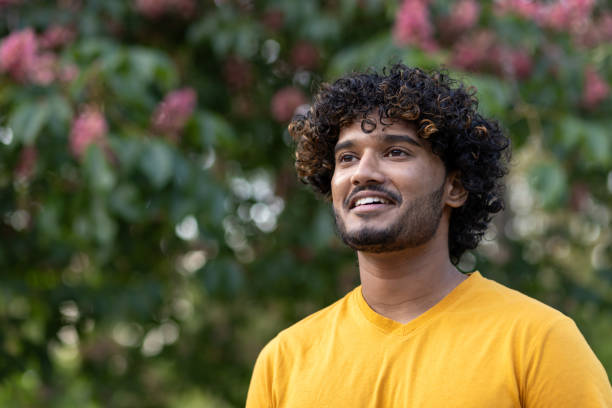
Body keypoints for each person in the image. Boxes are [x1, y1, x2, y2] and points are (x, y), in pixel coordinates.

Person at [246, 64, 612, 407]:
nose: (363, 173)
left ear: (454, 186)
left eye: (395, 152)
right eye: (347, 158)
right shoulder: (283, 362)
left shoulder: (539, 341)